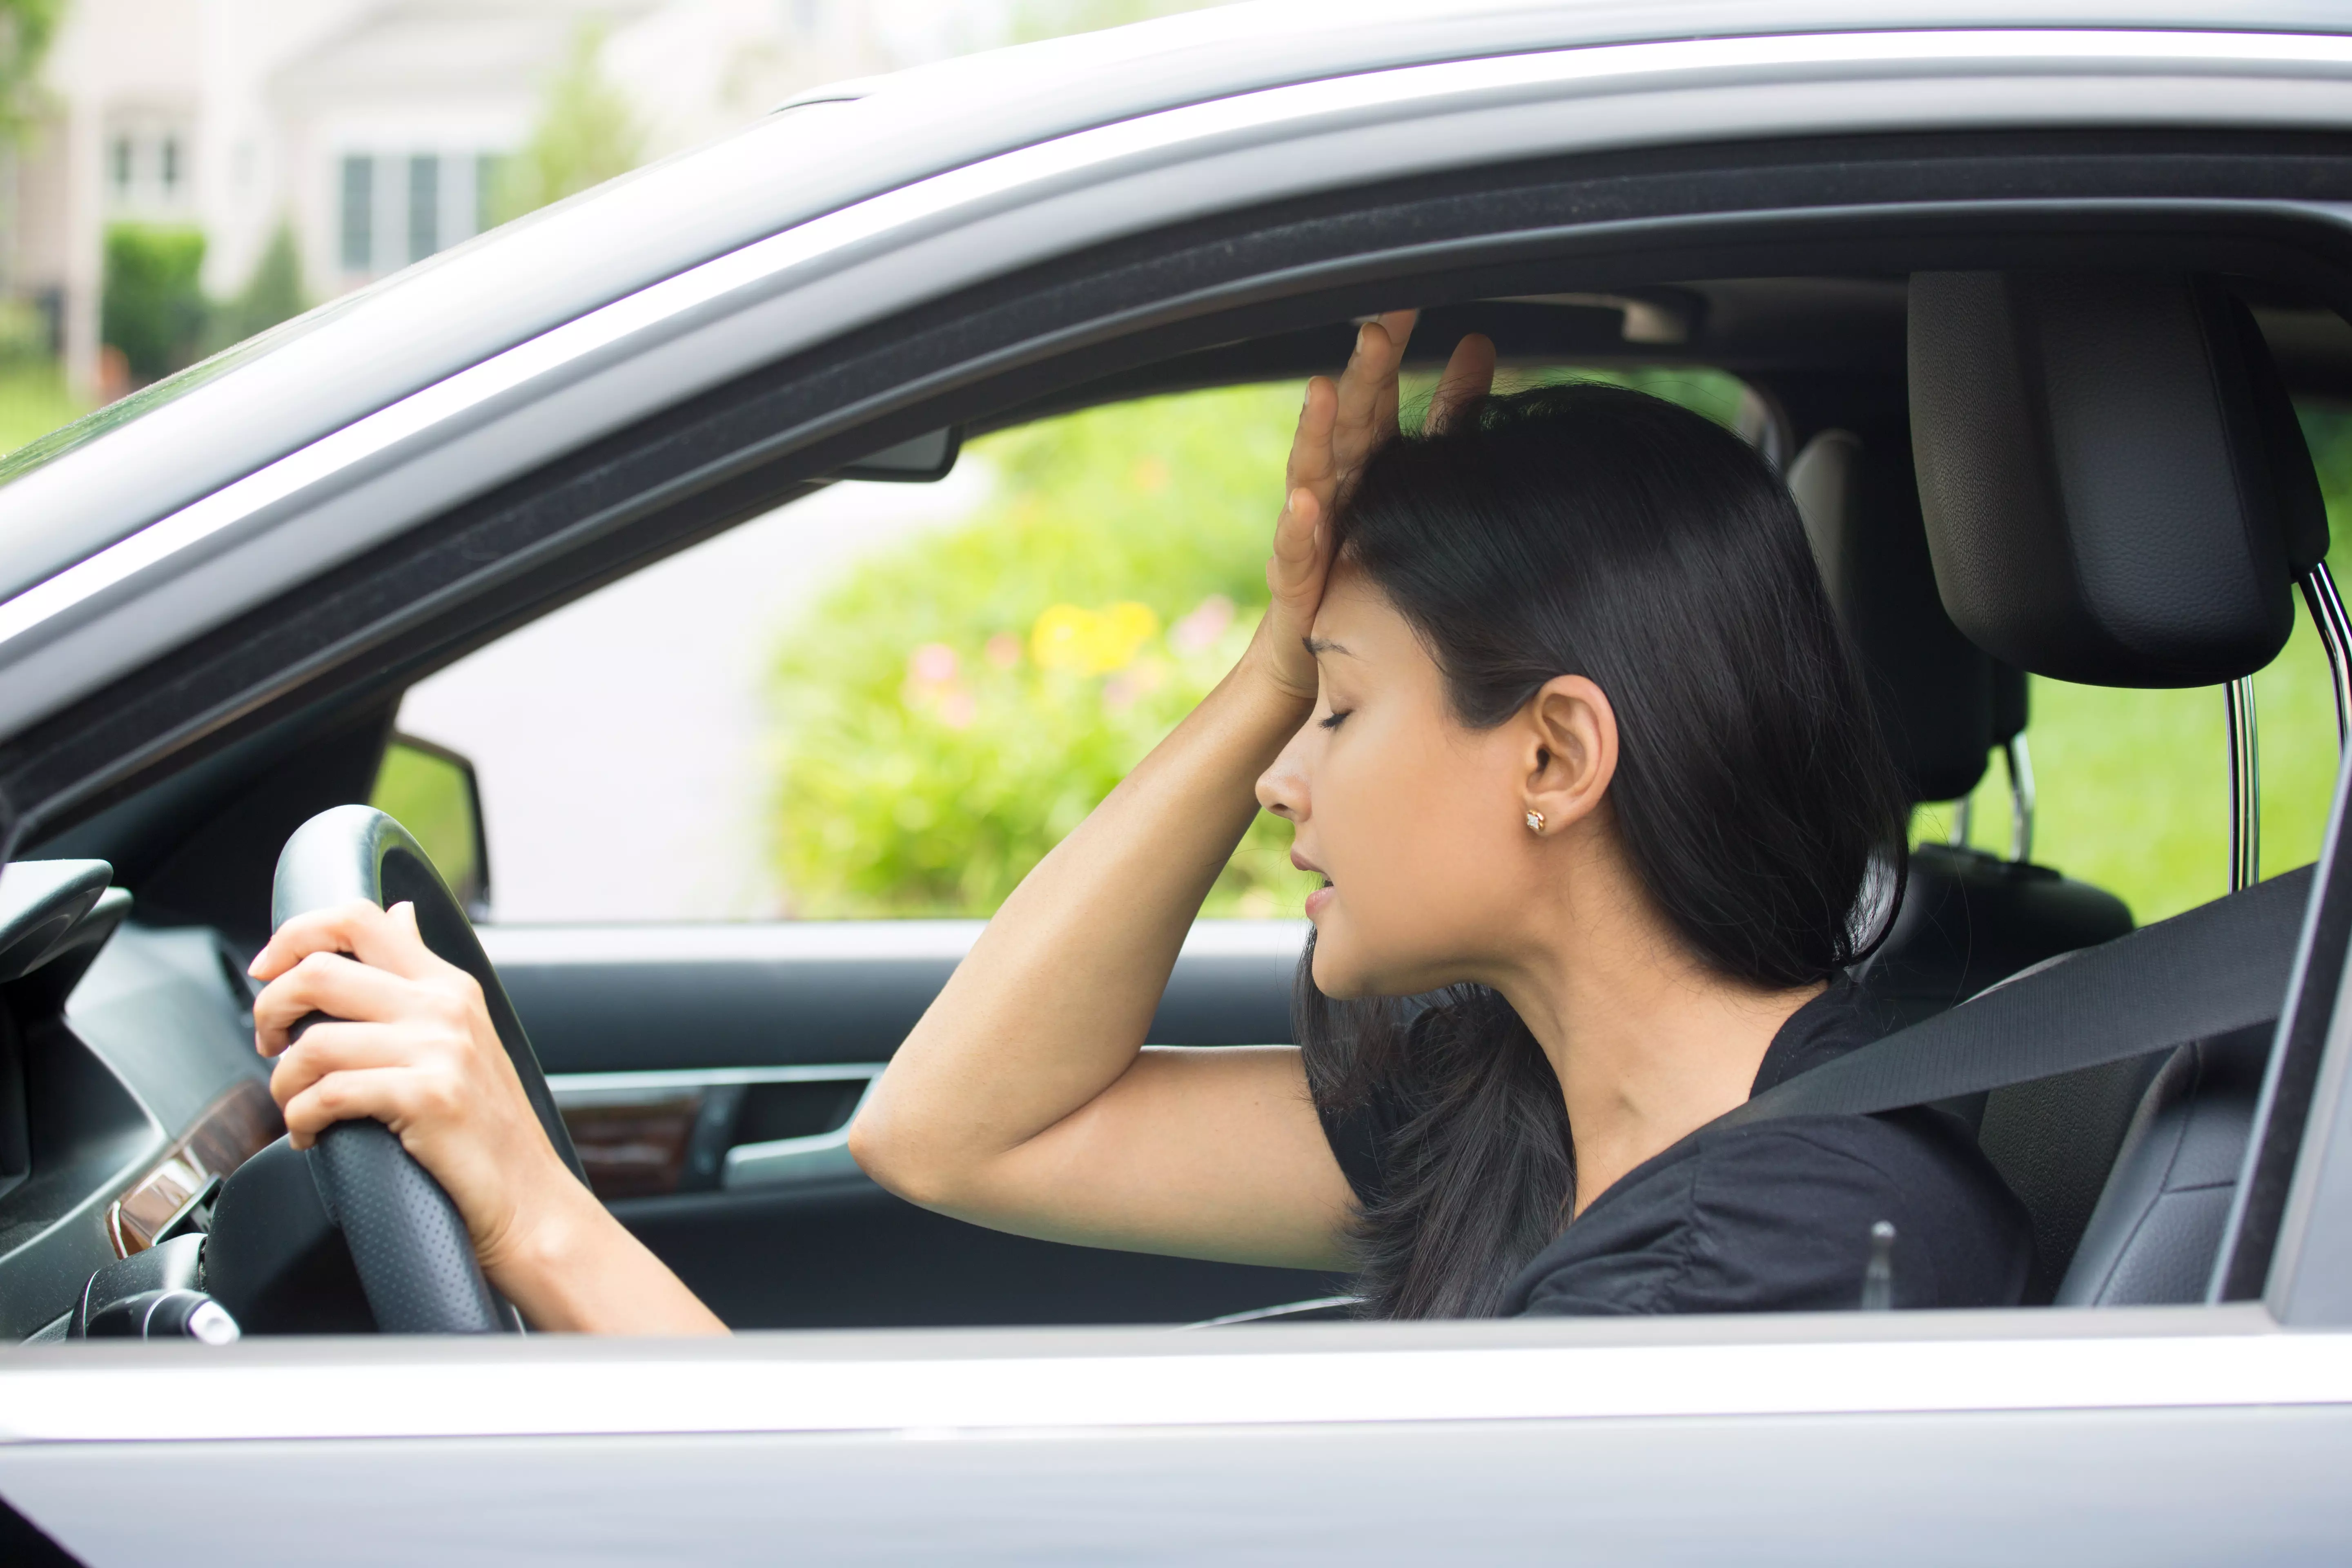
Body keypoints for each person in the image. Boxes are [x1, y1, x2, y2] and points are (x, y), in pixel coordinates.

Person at [250, 312, 2032, 1331]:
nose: (1281, 778)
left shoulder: (1758, 1273)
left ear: (1556, 759)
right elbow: (956, 1135)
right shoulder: (1542, 1118)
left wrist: (540, 1219)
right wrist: (1277, 656)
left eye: (1338, 713)